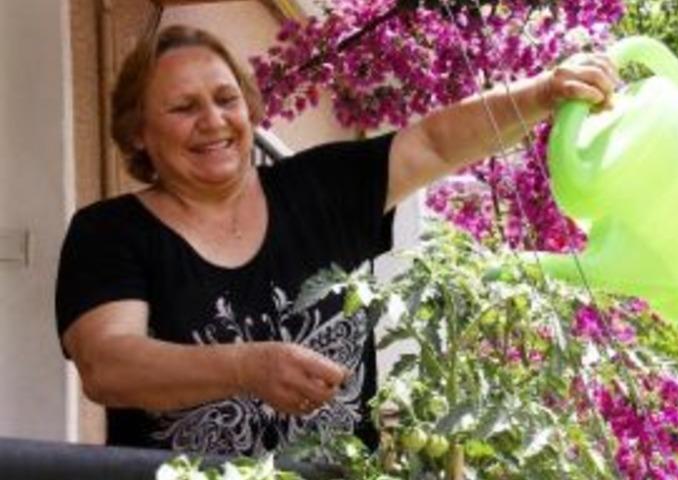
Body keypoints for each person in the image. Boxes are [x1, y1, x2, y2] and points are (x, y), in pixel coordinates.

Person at [55, 24, 618, 457]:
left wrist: (544, 92)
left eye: (226, 100)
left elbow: (436, 144)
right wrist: (246, 367)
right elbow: (109, 365)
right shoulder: (110, 232)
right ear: (138, 134)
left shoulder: (320, 188)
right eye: (183, 107)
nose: (213, 121)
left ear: (249, 108)